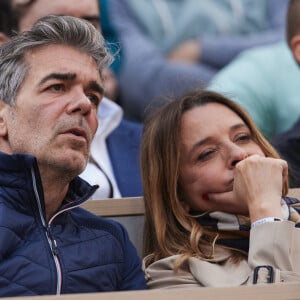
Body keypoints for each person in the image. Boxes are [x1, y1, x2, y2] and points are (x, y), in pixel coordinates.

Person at [0, 15, 146, 296]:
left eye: (93, 97)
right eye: (57, 87)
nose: (84, 105)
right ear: (3, 116)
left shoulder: (113, 243)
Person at [140, 89, 300, 288]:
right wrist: (265, 213)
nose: (239, 154)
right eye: (207, 153)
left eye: (242, 137)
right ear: (177, 196)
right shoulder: (173, 274)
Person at [11, 0, 143, 199]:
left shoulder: (149, 144)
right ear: (4, 44)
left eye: (91, 25)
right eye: (56, 25)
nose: (79, 37)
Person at [100, 0, 288, 121]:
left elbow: (287, 42)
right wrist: (253, 88)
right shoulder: (120, 4)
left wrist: (201, 49)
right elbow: (142, 82)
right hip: (178, 138)